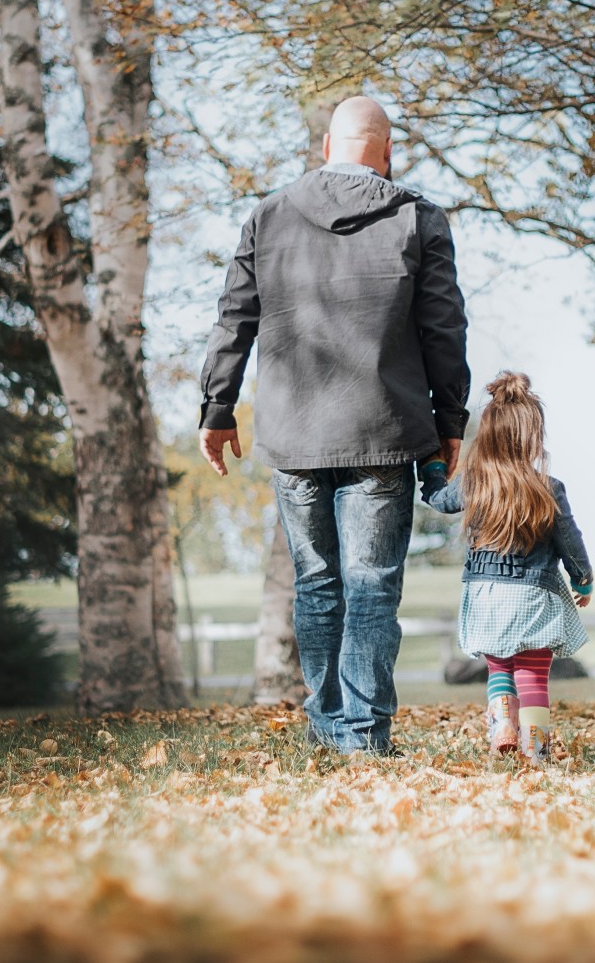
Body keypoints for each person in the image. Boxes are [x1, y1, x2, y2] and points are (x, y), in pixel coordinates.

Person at [197, 96, 470, 755]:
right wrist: (450, 420)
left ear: (326, 149)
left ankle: (327, 730)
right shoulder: (417, 216)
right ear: (388, 152)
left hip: (294, 433)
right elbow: (443, 327)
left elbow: (235, 317)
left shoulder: (269, 214)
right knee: (372, 587)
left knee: (316, 585)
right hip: (384, 431)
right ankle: (364, 737)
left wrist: (217, 407)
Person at [420, 372, 593, 764]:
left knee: (499, 664)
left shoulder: (475, 483)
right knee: (532, 674)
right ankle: (537, 749)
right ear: (533, 436)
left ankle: (501, 724)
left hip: (486, 597)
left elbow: (438, 499)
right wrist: (583, 578)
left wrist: (432, 466)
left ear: (489, 435)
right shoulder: (548, 486)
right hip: (532, 595)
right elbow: (570, 539)